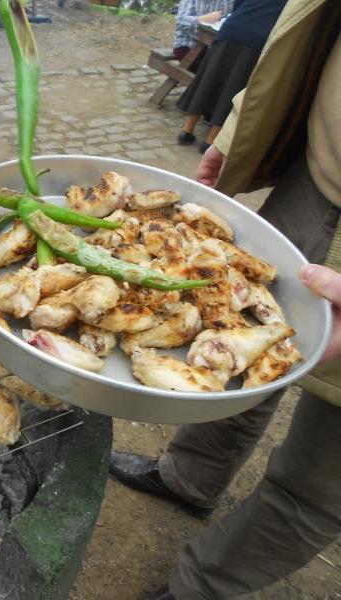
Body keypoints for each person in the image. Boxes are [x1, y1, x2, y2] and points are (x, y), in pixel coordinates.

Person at [110, 0, 341, 597]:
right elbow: (306, 22)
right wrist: (239, 128)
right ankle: (188, 478)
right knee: (233, 359)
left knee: (321, 477)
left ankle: (199, 588)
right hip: (316, 181)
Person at [176, 0, 287, 153]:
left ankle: (187, 130)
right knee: (234, 87)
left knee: (209, 78)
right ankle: (210, 141)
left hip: (231, 28)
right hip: (258, 38)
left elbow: (238, 3)